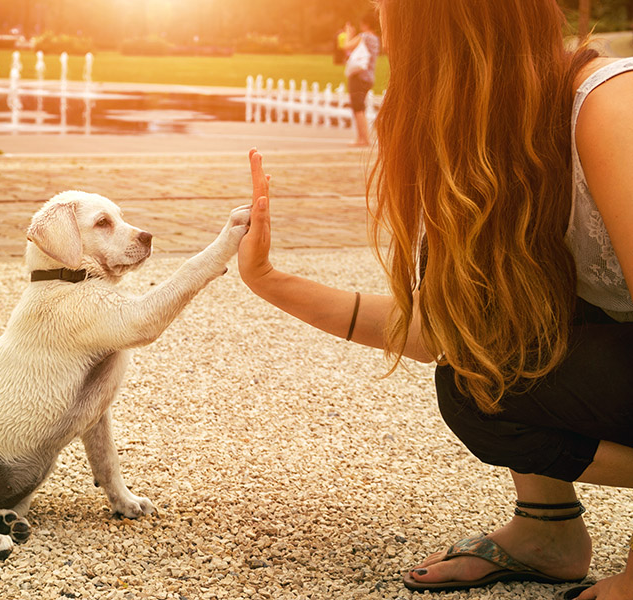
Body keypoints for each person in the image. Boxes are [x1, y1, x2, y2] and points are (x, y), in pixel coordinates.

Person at [236, 0, 633, 598]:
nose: (381, 29)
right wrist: (269, 279)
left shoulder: (607, 108)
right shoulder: (491, 145)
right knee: (477, 382)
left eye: (387, 11)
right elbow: (438, 335)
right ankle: (547, 533)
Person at [341, 12, 380, 146]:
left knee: (358, 108)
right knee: (360, 107)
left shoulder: (364, 36)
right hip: (369, 77)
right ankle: (362, 139)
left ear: (366, 24)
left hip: (359, 76)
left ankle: (363, 139)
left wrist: (348, 33)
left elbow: (346, 46)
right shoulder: (375, 39)